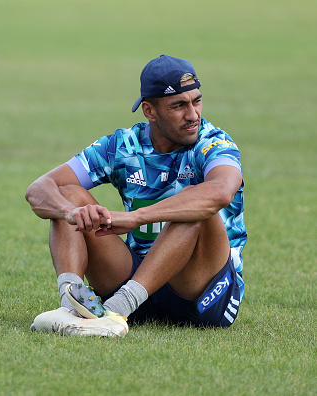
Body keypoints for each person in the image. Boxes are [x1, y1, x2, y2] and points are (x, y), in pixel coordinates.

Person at [26, 55, 246, 336]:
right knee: (69, 195)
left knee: (194, 206)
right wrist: (70, 212)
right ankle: (71, 307)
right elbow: (39, 188)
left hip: (200, 290)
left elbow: (220, 192)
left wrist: (136, 217)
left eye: (196, 101)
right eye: (179, 105)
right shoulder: (122, 145)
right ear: (149, 111)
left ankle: (114, 312)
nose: (192, 115)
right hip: (136, 281)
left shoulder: (214, 143)